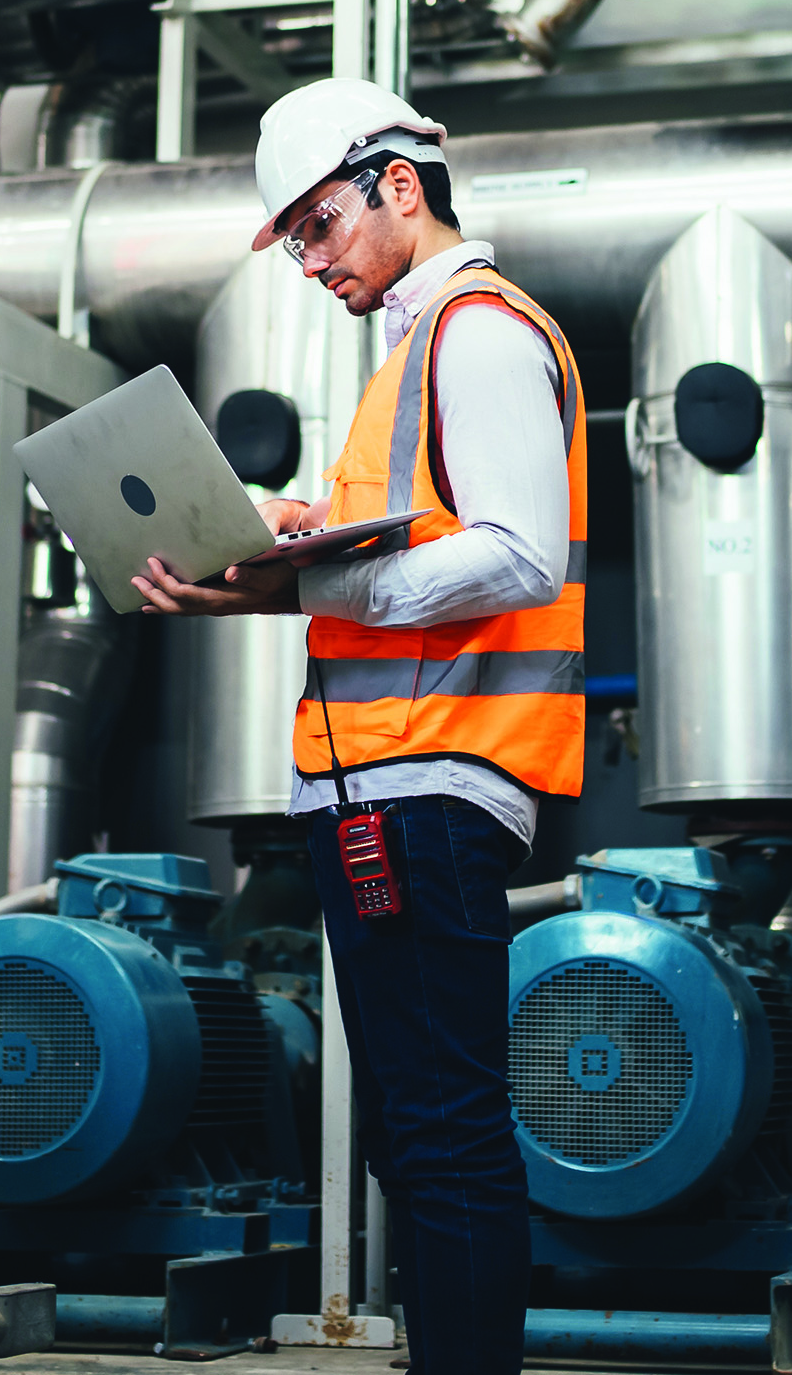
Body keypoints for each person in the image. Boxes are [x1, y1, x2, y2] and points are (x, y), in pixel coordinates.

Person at [132, 78, 584, 1375]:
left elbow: (518, 556)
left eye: (320, 229)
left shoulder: (477, 332)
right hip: (386, 787)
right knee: (410, 1132)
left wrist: (308, 577)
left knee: (441, 1134)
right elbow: (396, 563)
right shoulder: (415, 350)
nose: (313, 265)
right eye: (295, 246)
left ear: (399, 184)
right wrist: (268, 558)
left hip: (432, 787)